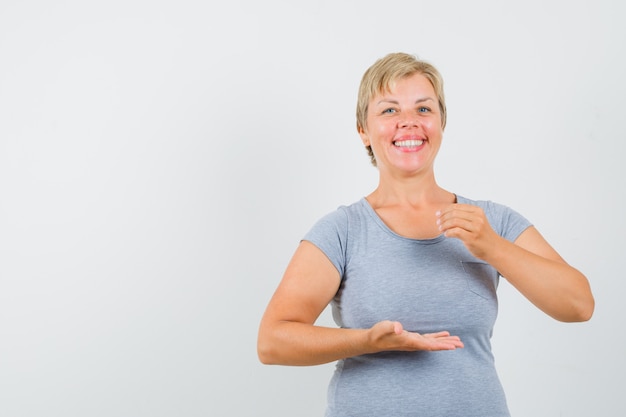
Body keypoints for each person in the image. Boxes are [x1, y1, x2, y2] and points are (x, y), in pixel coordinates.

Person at [257, 52, 594, 417]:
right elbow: (273, 342)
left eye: (423, 109)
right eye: (389, 111)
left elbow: (578, 305)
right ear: (363, 132)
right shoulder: (343, 230)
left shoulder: (489, 221)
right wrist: (368, 340)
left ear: (441, 123)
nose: (408, 123)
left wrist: (492, 247)